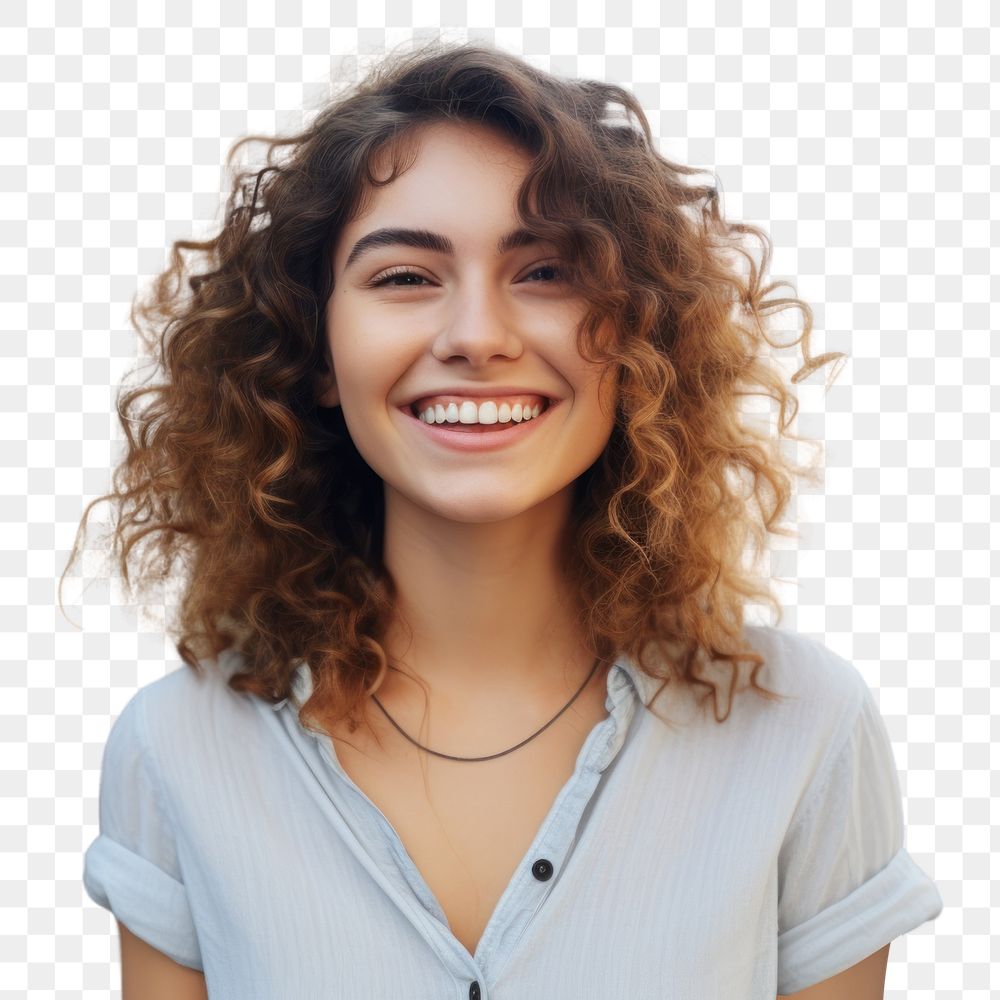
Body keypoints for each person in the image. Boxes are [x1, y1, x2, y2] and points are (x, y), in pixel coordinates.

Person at [68, 38, 943, 999]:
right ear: (314, 349)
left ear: (635, 338)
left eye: (546, 272)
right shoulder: (179, 750)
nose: (477, 336)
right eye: (404, 276)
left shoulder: (804, 730)